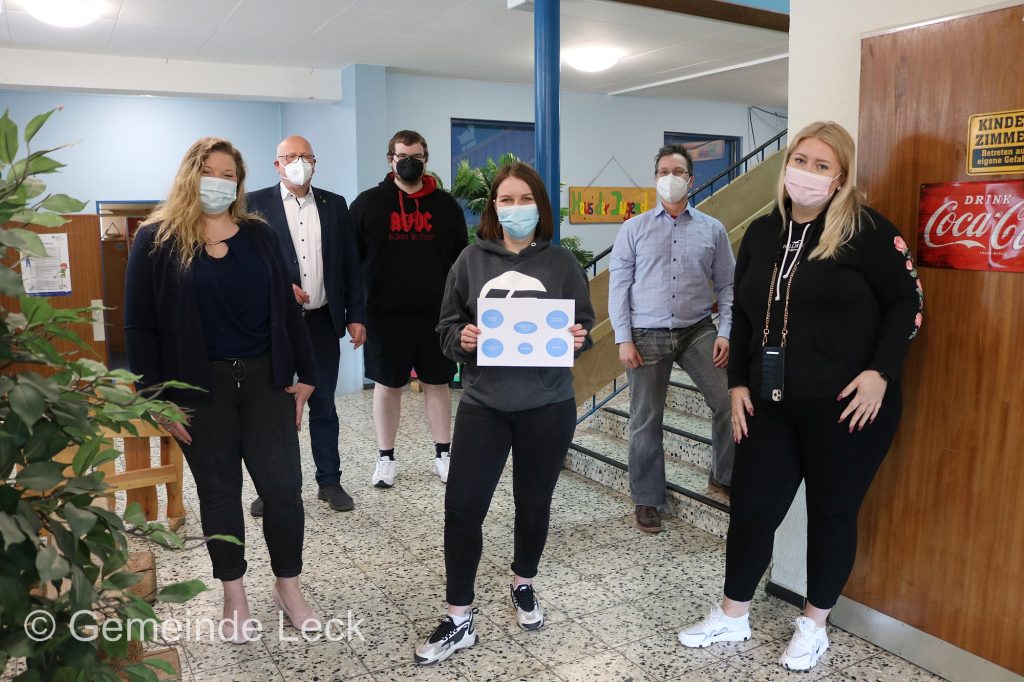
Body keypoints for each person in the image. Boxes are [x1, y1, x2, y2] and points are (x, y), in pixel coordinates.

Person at [677, 121, 923, 671]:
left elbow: (907, 303)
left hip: (847, 408)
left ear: (840, 177)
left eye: (822, 165)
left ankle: (814, 626)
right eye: (801, 160)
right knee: (752, 509)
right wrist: (738, 383)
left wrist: (881, 372)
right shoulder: (763, 232)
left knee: (831, 515)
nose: (807, 173)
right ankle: (733, 615)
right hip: (769, 404)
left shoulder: (868, 232)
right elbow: (742, 312)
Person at [125, 137, 323, 643]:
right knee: (219, 496)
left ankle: (288, 587)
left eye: (228, 174)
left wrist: (307, 373)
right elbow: (140, 328)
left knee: (283, 490)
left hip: (265, 382)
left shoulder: (260, 235)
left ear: (239, 182)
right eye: (209, 171)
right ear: (189, 175)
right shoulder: (155, 240)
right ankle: (234, 595)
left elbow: (287, 307)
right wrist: (156, 399)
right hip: (198, 389)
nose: (219, 182)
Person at [414, 163, 594, 665]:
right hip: (484, 405)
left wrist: (578, 338)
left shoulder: (562, 263)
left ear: (540, 205)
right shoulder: (470, 260)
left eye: (525, 199)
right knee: (462, 508)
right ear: (493, 207)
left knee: (533, 503)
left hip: (548, 406)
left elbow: (583, 327)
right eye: (506, 200)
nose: (516, 208)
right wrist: (463, 338)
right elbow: (446, 327)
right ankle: (459, 617)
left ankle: (523, 582)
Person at [608, 143, 736, 534]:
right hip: (645, 332)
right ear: (655, 179)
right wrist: (623, 338)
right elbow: (619, 286)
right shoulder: (634, 229)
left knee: (728, 400)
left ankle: (723, 475)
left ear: (690, 180)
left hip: (697, 330)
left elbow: (728, 285)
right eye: (664, 171)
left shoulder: (712, 230)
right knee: (646, 417)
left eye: (678, 172)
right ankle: (647, 498)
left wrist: (726, 331)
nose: (670, 178)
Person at [246, 135, 367, 515]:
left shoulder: (335, 205)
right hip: (274, 327)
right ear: (277, 164)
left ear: (315, 162)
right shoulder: (253, 205)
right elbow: (244, 264)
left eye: (305, 156)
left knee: (324, 405)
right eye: (290, 157)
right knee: (275, 408)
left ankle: (329, 482)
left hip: (320, 322)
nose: (298, 163)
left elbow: (351, 265)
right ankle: (274, 488)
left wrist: (356, 315)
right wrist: (280, 286)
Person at [350, 130, 468, 488]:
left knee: (437, 384)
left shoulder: (446, 206)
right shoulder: (367, 204)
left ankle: (443, 455)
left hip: (438, 316)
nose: (409, 162)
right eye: (402, 156)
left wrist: (461, 312)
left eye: (416, 156)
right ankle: (385, 458)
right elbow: (350, 264)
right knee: (387, 386)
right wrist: (355, 314)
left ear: (425, 159)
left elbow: (462, 262)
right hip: (384, 316)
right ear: (391, 159)